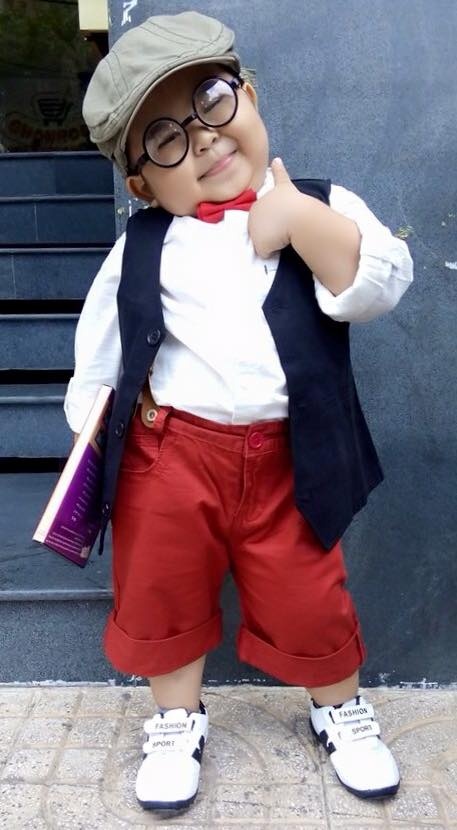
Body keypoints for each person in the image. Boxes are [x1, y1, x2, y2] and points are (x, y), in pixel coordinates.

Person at [64, 10, 413, 813]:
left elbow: (378, 285)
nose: (204, 140)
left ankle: (338, 708)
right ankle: (175, 720)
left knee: (308, 589)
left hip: (291, 455)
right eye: (165, 139)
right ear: (142, 184)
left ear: (248, 97)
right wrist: (91, 430)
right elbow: (101, 346)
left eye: (213, 103)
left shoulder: (321, 200)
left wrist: (299, 221)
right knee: (160, 586)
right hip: (168, 455)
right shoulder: (143, 244)